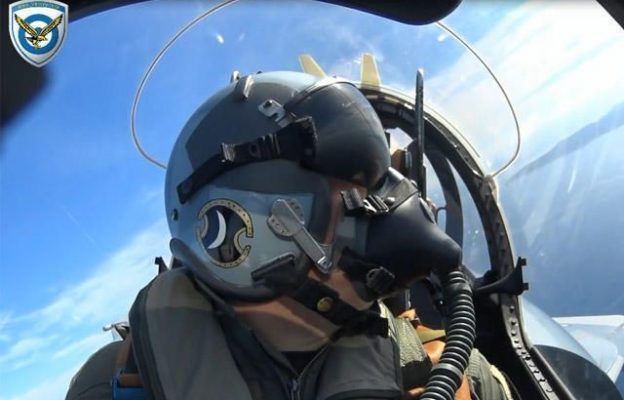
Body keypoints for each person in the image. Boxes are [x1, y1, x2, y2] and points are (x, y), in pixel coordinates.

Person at [66, 71, 514, 400]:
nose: (397, 210)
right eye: (359, 190)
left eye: (382, 184)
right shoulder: (113, 385)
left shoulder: (451, 374)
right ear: (249, 225)